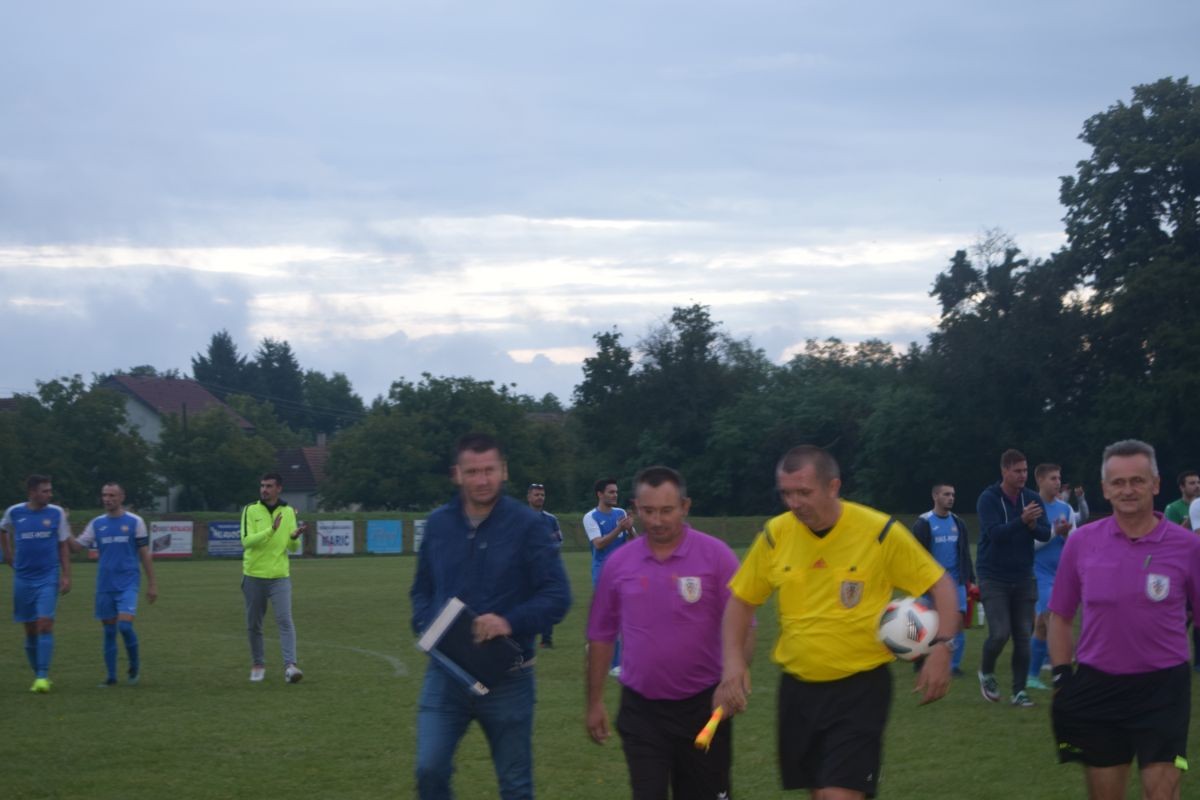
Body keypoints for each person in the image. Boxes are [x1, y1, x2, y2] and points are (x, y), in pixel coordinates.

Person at [715, 445, 958, 800]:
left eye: (804, 492)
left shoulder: (878, 531)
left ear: (833, 486)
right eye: (786, 493)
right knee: (821, 793)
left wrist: (942, 647)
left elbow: (941, 584)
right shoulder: (775, 534)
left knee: (837, 794)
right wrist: (734, 663)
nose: (794, 503)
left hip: (859, 690)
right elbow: (741, 602)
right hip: (798, 690)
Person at [410, 433, 571, 800]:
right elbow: (421, 590)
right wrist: (429, 625)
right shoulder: (438, 524)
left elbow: (557, 595)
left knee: (515, 787)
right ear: (457, 474)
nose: (482, 480)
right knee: (429, 769)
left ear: (504, 471)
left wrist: (508, 622)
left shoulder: (528, 525)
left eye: (489, 470)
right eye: (472, 471)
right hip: (446, 676)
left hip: (509, 678)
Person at [586, 466, 751, 799]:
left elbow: (744, 626)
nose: (657, 520)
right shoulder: (620, 564)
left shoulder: (716, 556)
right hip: (642, 712)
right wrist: (594, 702)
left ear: (685, 506)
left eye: (666, 510)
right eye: (648, 511)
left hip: (704, 706)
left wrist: (735, 675)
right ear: (635, 508)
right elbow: (601, 634)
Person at [1049, 439, 1200, 800]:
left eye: (1137, 481)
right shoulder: (1081, 542)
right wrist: (1061, 676)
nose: (1128, 490)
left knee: (1163, 791)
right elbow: (1060, 615)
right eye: (1118, 482)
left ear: (1155, 484)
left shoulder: (1188, 546)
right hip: (1098, 686)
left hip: (1164, 689)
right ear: (1105, 489)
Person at [975, 448, 1051, 707]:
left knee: (1023, 636)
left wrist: (1033, 525)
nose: (1023, 475)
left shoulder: (1032, 498)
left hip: (1024, 576)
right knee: (999, 633)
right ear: (1004, 471)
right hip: (993, 576)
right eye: (1017, 471)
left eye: (1025, 470)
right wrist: (1023, 520)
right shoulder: (988, 499)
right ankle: (986, 672)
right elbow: (995, 534)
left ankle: (1019, 692)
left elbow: (1044, 533)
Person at [70, 482, 158, 686]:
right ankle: (111, 677)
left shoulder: (135, 522)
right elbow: (76, 547)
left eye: (112, 495)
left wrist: (152, 584)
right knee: (109, 631)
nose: (107, 499)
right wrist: (62, 526)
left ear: (121, 497)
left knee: (125, 626)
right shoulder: (97, 523)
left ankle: (134, 665)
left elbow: (144, 554)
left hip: (128, 582)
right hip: (105, 585)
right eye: (104, 495)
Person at [0, 474, 72, 693]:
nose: (50, 494)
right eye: (45, 491)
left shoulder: (56, 513)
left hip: (48, 576)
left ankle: (42, 676)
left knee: (44, 623)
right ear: (32, 492)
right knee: (30, 629)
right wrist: (8, 553)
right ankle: (37, 674)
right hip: (23, 578)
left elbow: (62, 545)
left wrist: (66, 575)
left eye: (50, 490)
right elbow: (3, 529)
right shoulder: (14, 512)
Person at [239, 471, 306, 683]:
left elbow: (293, 547)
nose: (264, 490)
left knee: (285, 620)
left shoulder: (288, 512)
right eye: (262, 486)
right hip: (254, 575)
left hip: (279, 576)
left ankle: (290, 666)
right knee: (254, 624)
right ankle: (258, 663)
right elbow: (246, 541)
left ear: (279, 488)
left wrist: (294, 537)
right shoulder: (250, 510)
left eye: (269, 486)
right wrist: (271, 530)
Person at [912, 483, 975, 676]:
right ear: (935, 496)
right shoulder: (924, 523)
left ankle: (953, 666)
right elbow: (914, 556)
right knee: (922, 624)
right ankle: (918, 658)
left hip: (956, 581)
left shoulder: (958, 523)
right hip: (931, 582)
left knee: (957, 623)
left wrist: (971, 579)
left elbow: (964, 553)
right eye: (946, 494)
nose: (951, 498)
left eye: (953, 495)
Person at [1026, 464, 1076, 690]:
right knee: (1051, 617)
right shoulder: (1032, 508)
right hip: (1039, 573)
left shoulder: (1066, 508)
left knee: (1042, 626)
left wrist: (1065, 536)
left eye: (1059, 478)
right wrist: (1055, 532)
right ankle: (1062, 672)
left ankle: (1031, 676)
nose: (1058, 482)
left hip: (1061, 573)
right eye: (1053, 478)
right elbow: (1028, 546)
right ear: (1040, 480)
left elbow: (1074, 543)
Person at [583, 477, 636, 675]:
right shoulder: (591, 517)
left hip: (623, 572)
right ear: (600, 494)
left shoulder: (621, 513)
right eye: (611, 492)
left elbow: (635, 542)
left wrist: (629, 529)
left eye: (616, 492)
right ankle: (615, 665)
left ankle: (603, 653)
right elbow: (598, 544)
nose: (615, 495)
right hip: (603, 572)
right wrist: (619, 528)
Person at [526, 482, 563, 648]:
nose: (540, 497)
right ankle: (525, 637)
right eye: (536, 494)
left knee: (547, 603)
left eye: (542, 495)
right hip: (525, 569)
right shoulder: (519, 518)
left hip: (545, 568)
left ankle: (546, 640)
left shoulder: (551, 519)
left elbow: (559, 541)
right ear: (529, 497)